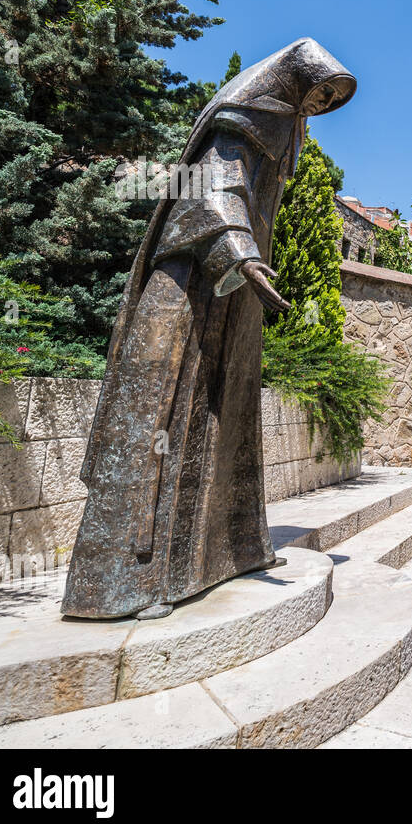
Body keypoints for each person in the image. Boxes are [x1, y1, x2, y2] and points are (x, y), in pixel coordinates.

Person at [61, 39, 357, 620]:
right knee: (159, 419)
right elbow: (210, 190)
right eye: (318, 91)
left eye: (330, 98)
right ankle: (129, 582)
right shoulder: (241, 121)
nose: (319, 105)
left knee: (227, 414)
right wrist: (242, 254)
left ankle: (232, 551)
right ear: (293, 79)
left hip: (229, 293)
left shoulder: (279, 130)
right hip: (189, 289)